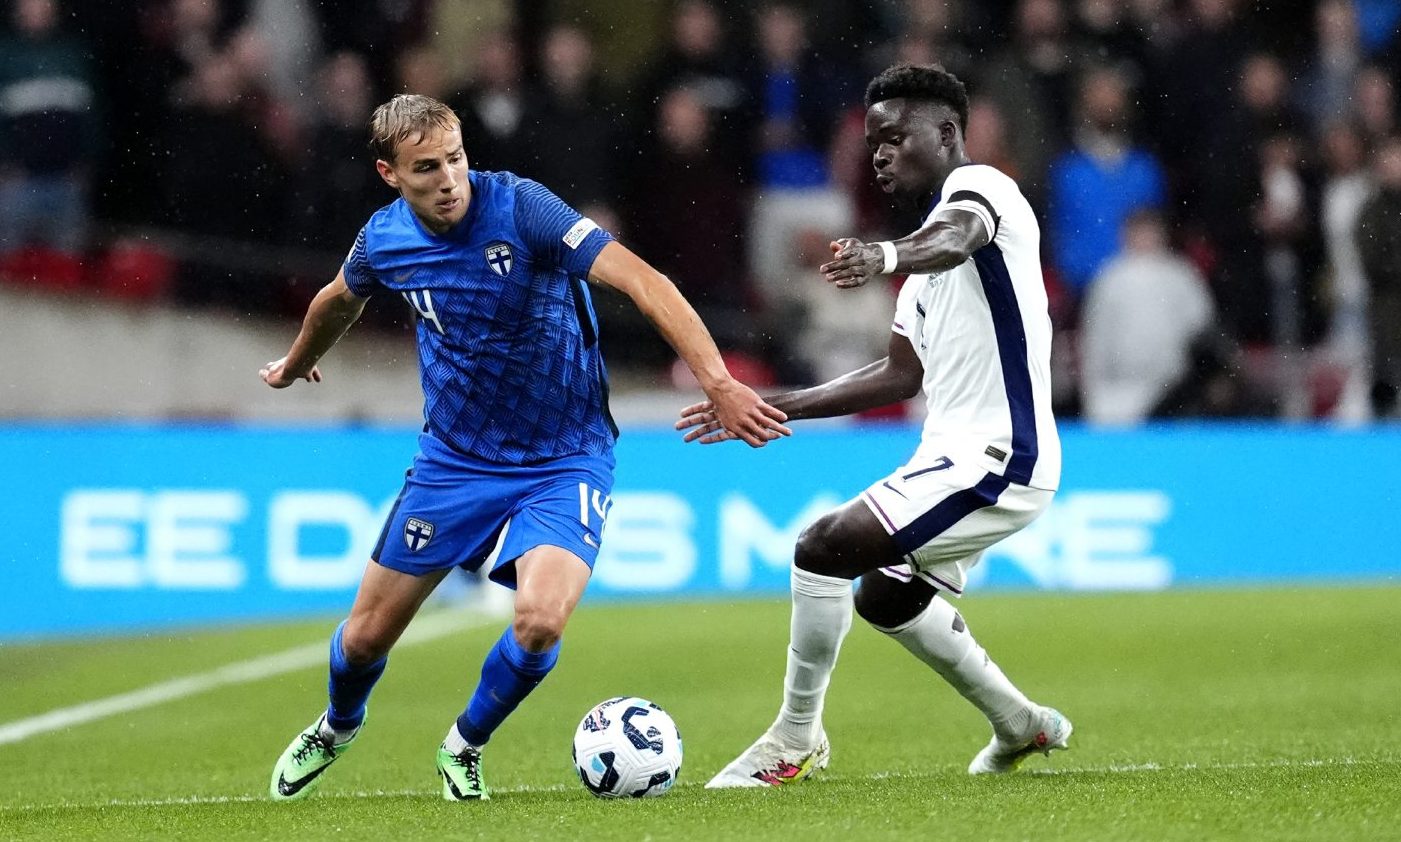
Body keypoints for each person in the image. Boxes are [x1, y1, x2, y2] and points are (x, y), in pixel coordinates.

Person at [260, 94, 788, 802]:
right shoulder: (383, 239)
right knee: (361, 642)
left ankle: (464, 745)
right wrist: (297, 360)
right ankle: (337, 725)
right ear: (390, 174)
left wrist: (717, 380)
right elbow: (338, 299)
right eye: (426, 168)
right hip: (455, 460)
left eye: (455, 159)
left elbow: (642, 280)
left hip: (565, 454)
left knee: (538, 622)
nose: (448, 178)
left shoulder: (523, 209)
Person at [678, 64, 1071, 787]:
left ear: (948, 134)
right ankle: (1020, 724)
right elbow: (897, 376)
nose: (881, 154)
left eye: (896, 138)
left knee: (821, 546)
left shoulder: (981, 191)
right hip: (957, 453)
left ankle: (793, 739)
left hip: (998, 453)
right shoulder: (920, 268)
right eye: (873, 143)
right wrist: (767, 404)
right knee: (885, 594)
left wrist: (884, 254)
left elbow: (958, 234)